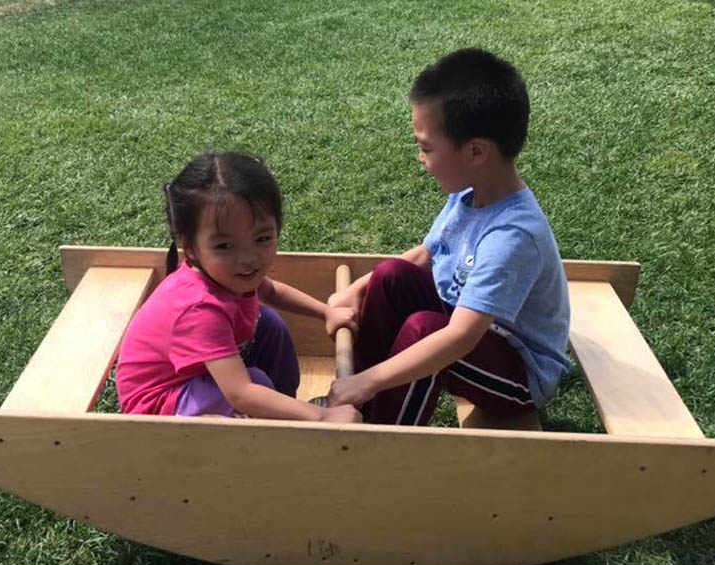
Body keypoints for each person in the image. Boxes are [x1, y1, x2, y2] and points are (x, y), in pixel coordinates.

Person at [327, 48, 571, 425]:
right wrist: (357, 288)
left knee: (424, 330)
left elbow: (459, 339)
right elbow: (425, 256)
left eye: (426, 147)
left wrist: (371, 380)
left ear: (475, 151)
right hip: (473, 327)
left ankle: (381, 435)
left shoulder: (513, 236)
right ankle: (355, 404)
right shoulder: (469, 193)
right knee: (392, 275)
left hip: (518, 373)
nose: (420, 158)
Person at [116, 152, 362, 423]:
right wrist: (322, 416)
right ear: (190, 247)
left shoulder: (224, 276)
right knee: (253, 382)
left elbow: (270, 291)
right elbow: (240, 393)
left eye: (262, 238)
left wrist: (326, 312)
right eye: (224, 246)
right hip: (159, 404)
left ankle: (285, 411)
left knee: (269, 323)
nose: (248, 258)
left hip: (192, 377)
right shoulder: (198, 308)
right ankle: (281, 423)